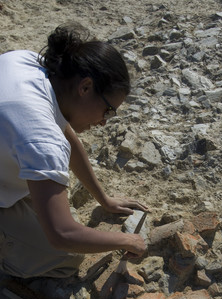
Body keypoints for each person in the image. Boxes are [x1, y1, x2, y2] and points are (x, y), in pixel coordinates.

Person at [0, 23, 148, 279]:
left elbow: (64, 138)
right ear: (85, 87)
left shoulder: (30, 63)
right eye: (108, 111)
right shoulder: (41, 137)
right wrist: (124, 240)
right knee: (68, 257)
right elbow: (62, 234)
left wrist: (105, 199)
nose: (104, 122)